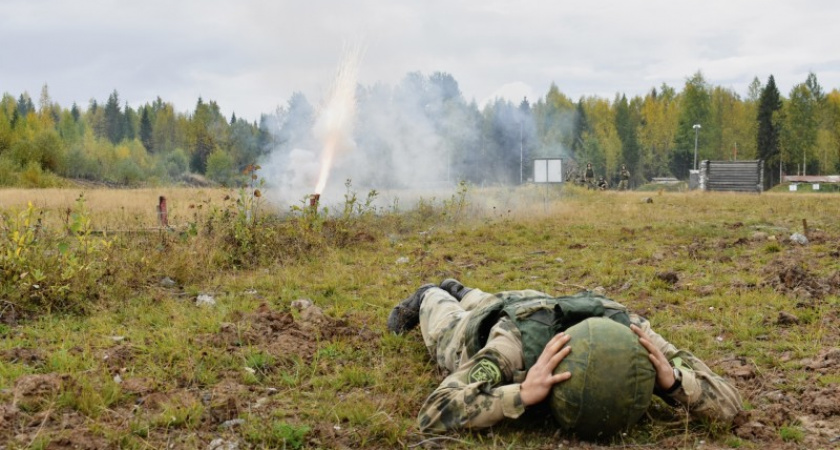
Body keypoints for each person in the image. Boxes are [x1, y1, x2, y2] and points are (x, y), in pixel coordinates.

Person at [387, 280, 743, 435]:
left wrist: (675, 382)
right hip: (504, 321)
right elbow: (434, 412)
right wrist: (521, 393)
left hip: (541, 302)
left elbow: (731, 405)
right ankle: (435, 292)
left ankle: (464, 290)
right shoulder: (512, 347)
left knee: (494, 298)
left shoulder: (636, 334)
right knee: (448, 323)